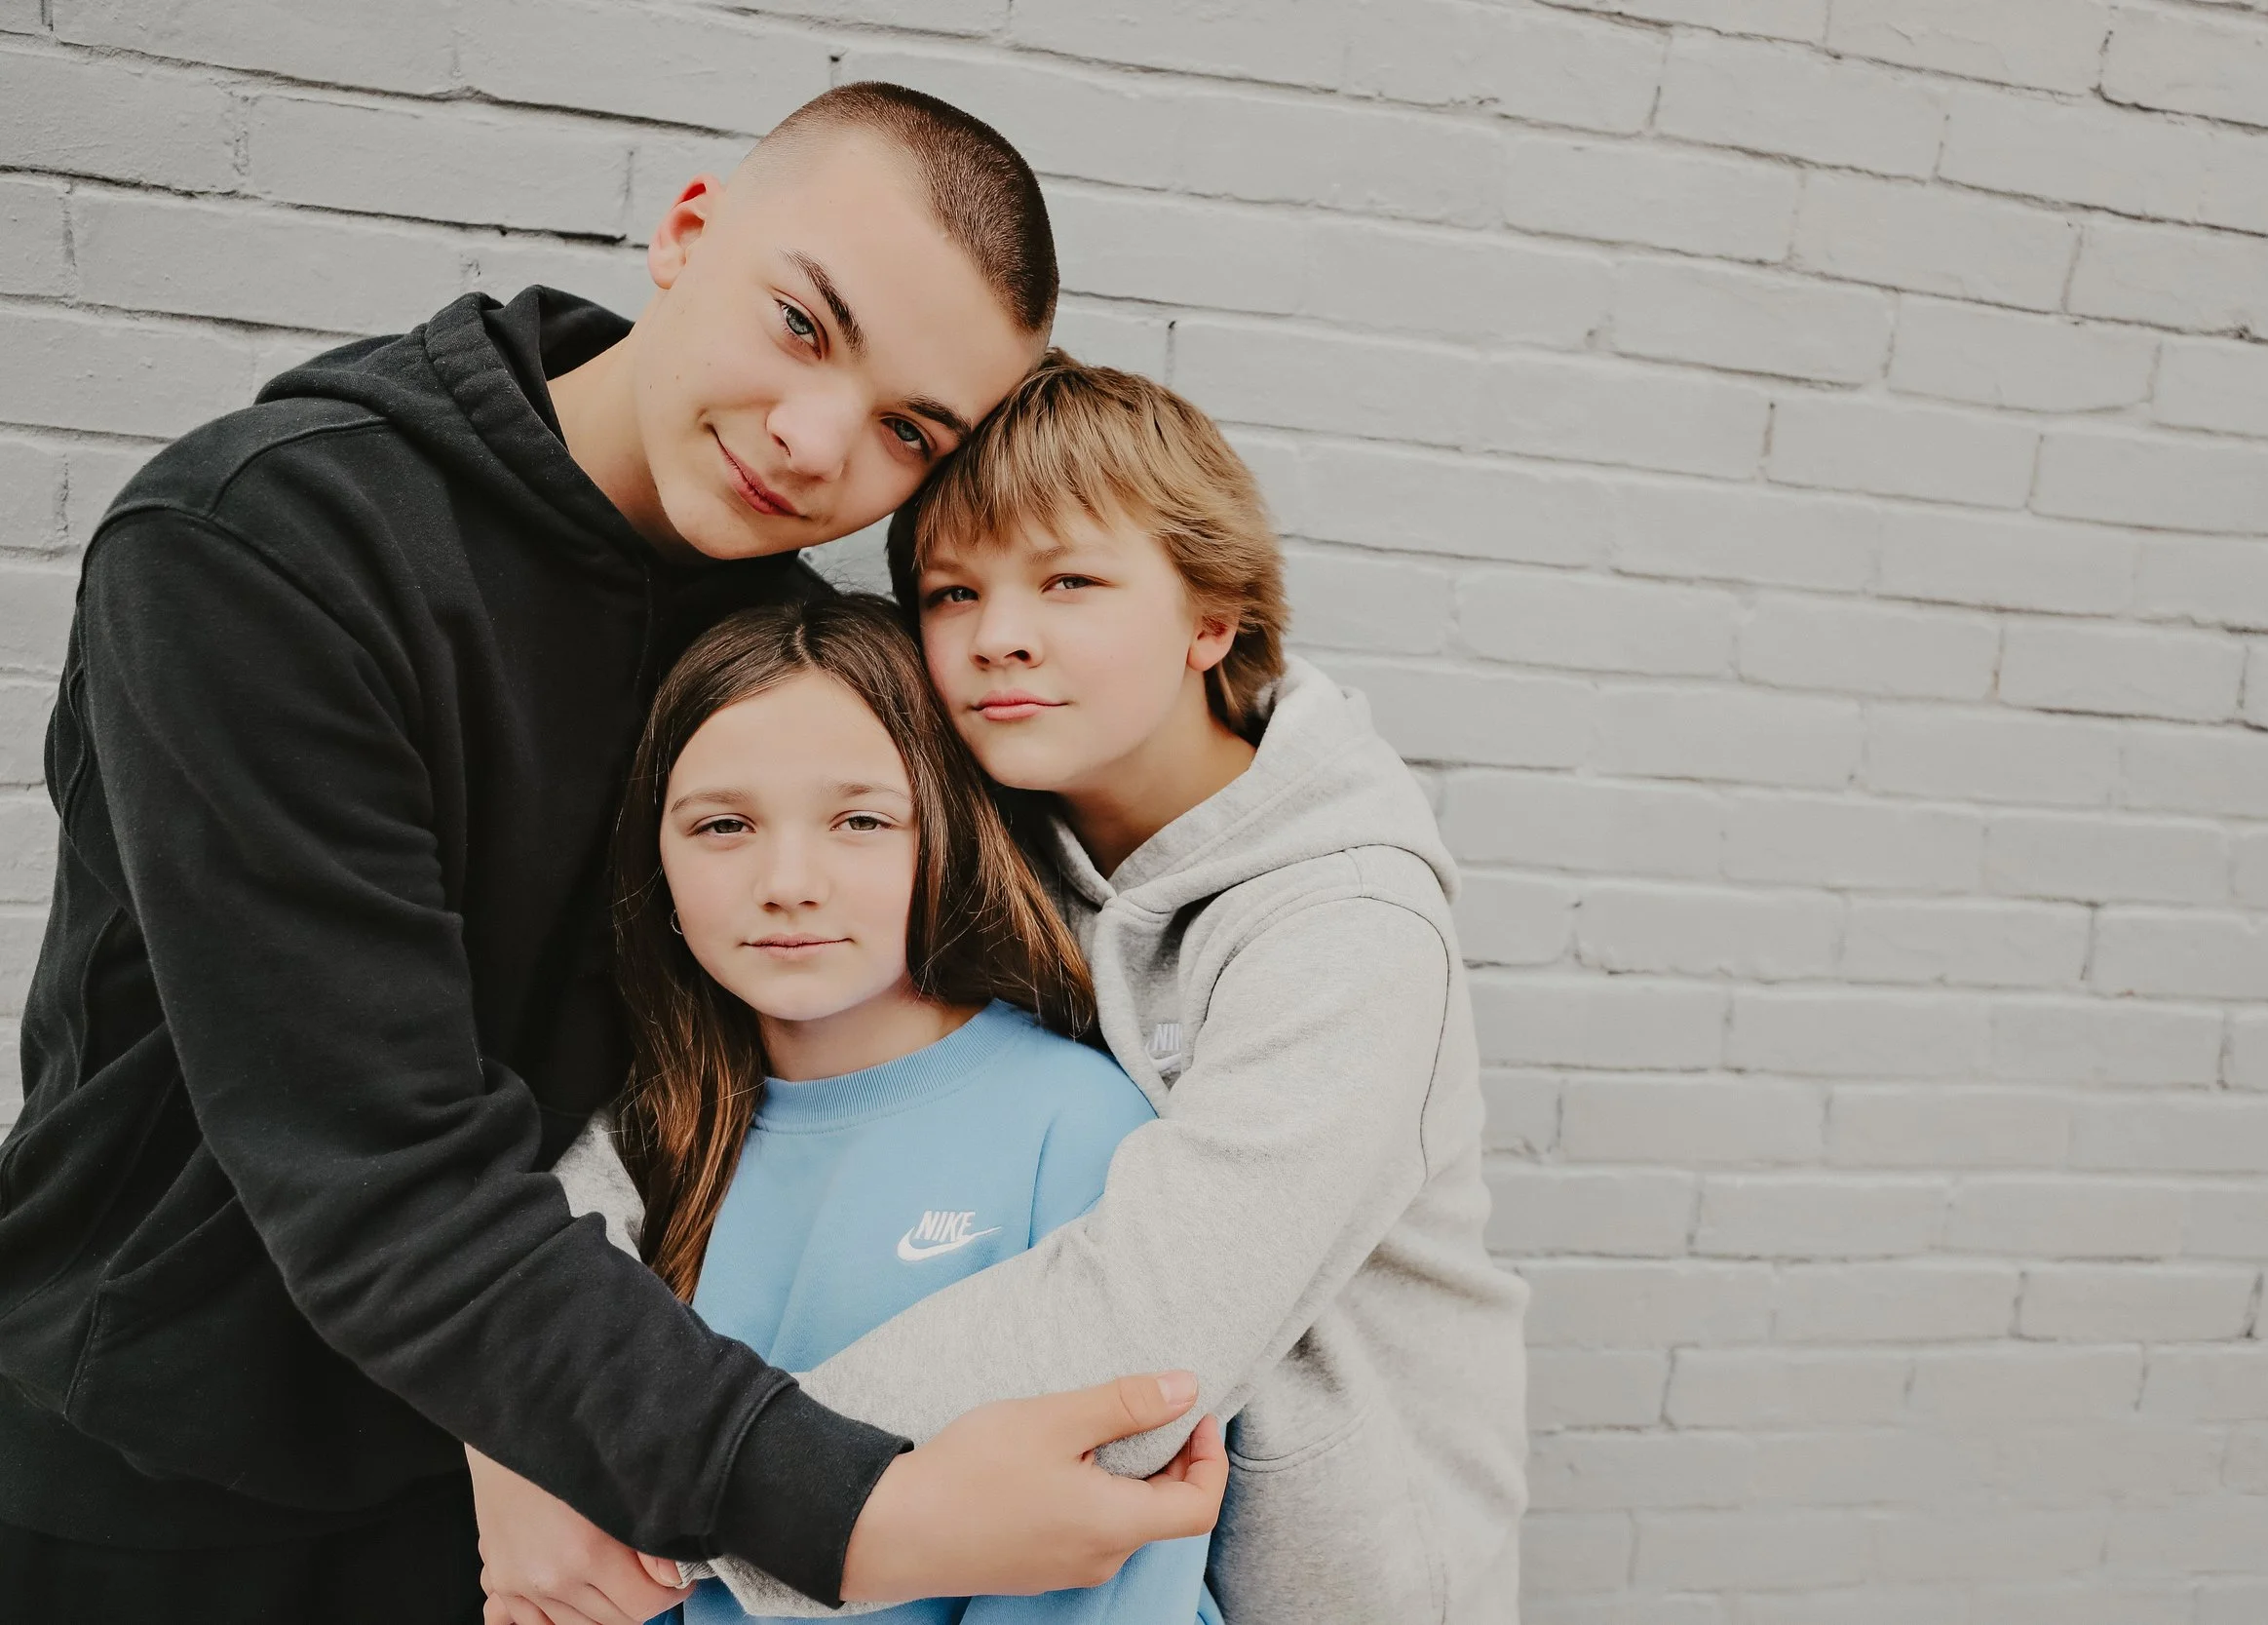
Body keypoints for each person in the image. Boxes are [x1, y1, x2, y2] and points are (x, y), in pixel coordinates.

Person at [0, 84, 1220, 1625]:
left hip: (555, 1478)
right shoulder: (262, 548)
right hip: (169, 1470)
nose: (812, 437)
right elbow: (381, 1168)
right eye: (801, 322)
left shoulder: (761, 642)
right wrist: (862, 1511)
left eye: (910, 428)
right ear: (689, 229)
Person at [543, 354, 1528, 1622]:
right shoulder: (994, 829)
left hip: (1326, 1582)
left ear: (1210, 619)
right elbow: (674, 1105)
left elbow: (1156, 1313)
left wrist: (690, 1507)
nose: (1001, 630)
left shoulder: (1347, 928)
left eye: (1069, 580)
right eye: (953, 591)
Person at [541, 594, 1222, 1625]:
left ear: (945, 832)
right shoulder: (641, 1144)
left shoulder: (1078, 1127)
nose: (788, 882)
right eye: (723, 824)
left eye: (860, 819)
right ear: (657, 864)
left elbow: (1102, 1568)